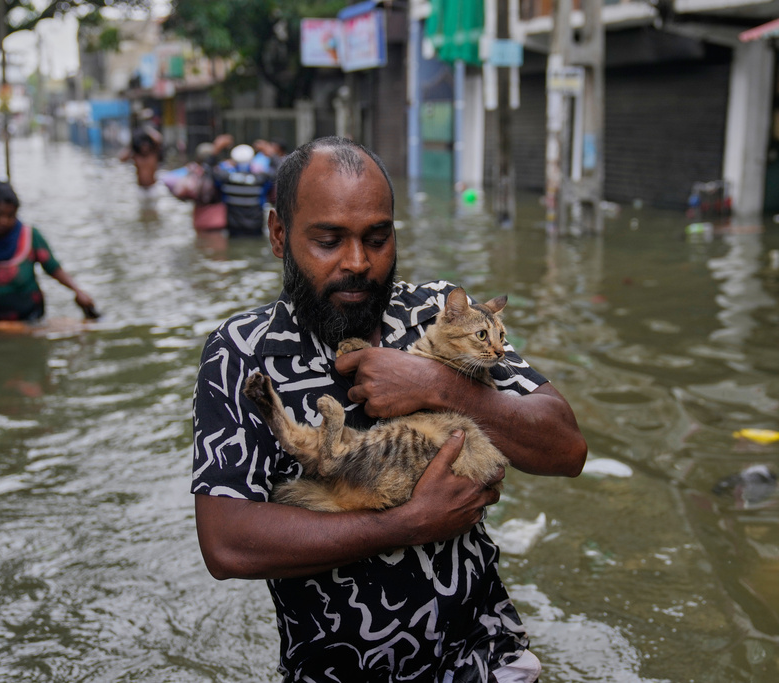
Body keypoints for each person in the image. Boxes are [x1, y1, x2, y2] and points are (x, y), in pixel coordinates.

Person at [191, 136, 587, 682]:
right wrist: (407, 524)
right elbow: (226, 543)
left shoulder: (441, 312)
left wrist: (441, 386)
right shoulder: (241, 351)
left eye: (377, 238)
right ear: (278, 235)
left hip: (483, 656)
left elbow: (567, 448)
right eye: (329, 240)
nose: (358, 263)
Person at [0, 181, 97, 324]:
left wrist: (77, 291)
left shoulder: (30, 236)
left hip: (29, 318)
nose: (4, 221)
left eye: (10, 216)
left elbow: (53, 268)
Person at [218, 143, 275, 237]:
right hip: (256, 226)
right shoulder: (261, 179)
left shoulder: (225, 179)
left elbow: (209, 171)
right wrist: (271, 153)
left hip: (233, 227)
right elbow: (278, 172)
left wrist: (217, 149)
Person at [119, 122, 163, 202]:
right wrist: (132, 144)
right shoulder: (136, 156)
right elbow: (121, 159)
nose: (144, 148)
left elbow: (159, 139)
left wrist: (147, 130)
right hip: (140, 189)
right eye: (142, 145)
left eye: (146, 145)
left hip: (153, 188)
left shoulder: (153, 154)